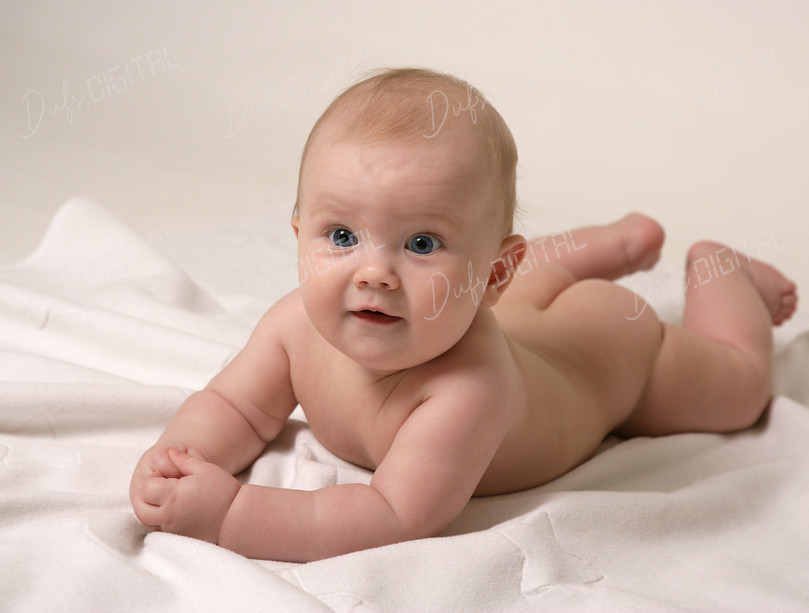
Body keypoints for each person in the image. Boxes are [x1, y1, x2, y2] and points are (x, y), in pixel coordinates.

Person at [129, 68, 798, 562]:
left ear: (491, 271)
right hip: (521, 316)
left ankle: (723, 270)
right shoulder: (292, 327)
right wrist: (178, 455)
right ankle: (609, 241)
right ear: (298, 230)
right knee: (525, 297)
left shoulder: (464, 392)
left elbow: (389, 514)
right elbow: (235, 407)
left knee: (738, 387)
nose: (373, 271)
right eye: (340, 235)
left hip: (606, 355)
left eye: (421, 243)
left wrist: (233, 512)